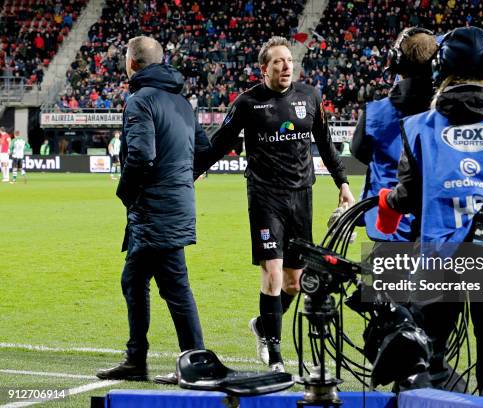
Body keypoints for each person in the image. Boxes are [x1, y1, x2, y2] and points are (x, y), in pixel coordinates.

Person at [376, 27, 483, 400]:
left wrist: (388, 200)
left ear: (441, 70)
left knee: (427, 362)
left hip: (438, 257)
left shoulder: (418, 127)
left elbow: (408, 196)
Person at [203, 36, 355, 372]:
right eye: (278, 62)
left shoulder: (310, 97)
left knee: (294, 282)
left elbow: (327, 145)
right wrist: (191, 173)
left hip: (302, 196)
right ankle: (274, 351)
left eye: (289, 61)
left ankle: (262, 324)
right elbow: (219, 144)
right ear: (264, 68)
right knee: (272, 273)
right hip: (265, 196)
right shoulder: (246, 103)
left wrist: (342, 183)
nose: (286, 67)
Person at [96, 36, 211, 385]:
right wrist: (181, 179)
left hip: (153, 209)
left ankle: (191, 362)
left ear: (132, 63)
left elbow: (141, 156)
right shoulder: (182, 102)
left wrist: (126, 193)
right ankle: (140, 358)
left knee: (172, 286)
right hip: (173, 205)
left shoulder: (139, 101)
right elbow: (205, 151)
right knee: (136, 279)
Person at [351, 27, 438, 242]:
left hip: (389, 224)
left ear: (396, 61)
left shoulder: (374, 112)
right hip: (437, 226)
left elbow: (359, 151)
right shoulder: (449, 114)